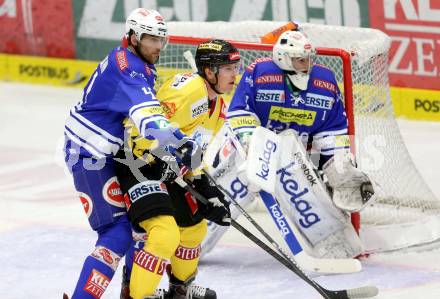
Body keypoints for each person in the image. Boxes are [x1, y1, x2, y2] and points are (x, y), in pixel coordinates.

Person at [63, 8, 203, 299]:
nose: (157, 46)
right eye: (151, 39)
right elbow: (150, 121)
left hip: (110, 151)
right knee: (117, 232)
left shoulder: (133, 62)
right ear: (133, 36)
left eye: (161, 40)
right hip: (90, 152)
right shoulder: (130, 67)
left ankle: (133, 292)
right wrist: (179, 145)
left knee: (141, 222)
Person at [203, 30, 375, 257]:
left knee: (306, 194)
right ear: (284, 58)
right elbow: (240, 113)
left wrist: (338, 165)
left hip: (293, 156)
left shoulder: (324, 82)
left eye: (308, 58)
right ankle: (189, 246)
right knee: (226, 193)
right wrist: (251, 145)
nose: (306, 64)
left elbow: (333, 128)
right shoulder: (260, 73)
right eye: (299, 59)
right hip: (249, 150)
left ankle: (335, 247)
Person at [116, 39, 240, 299]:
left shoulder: (218, 107)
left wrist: (208, 189)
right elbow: (136, 131)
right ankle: (139, 296)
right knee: (164, 235)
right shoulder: (187, 91)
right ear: (209, 71)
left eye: (235, 67)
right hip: (138, 164)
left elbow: (195, 153)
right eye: (228, 68)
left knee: (195, 228)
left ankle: (178, 289)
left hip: (169, 172)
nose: (234, 74)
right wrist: (164, 157)